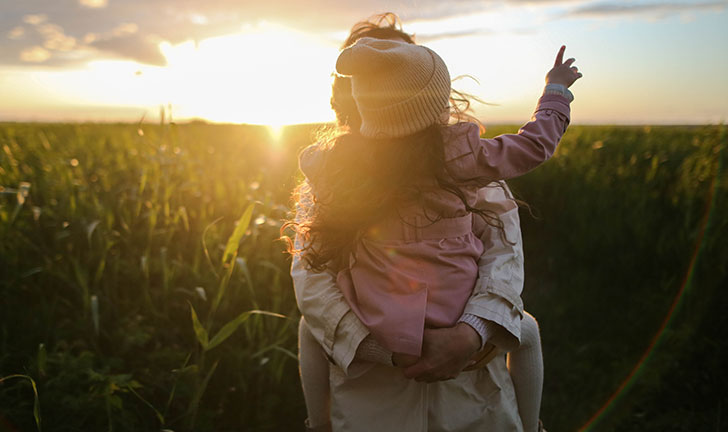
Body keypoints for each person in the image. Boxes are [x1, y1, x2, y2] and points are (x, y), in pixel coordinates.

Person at [288, 14, 581, 432]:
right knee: (527, 330)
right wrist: (555, 94)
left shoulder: (337, 167)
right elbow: (312, 276)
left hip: (470, 388)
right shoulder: (464, 159)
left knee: (308, 332)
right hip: (371, 389)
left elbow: (503, 253)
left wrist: (471, 334)